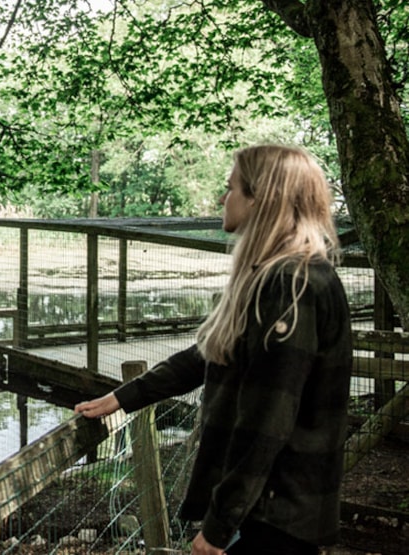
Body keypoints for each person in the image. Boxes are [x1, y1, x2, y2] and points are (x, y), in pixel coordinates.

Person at [75, 144, 352, 555]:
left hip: (275, 515)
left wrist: (219, 527)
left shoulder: (292, 284)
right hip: (269, 510)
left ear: (262, 198)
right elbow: (212, 352)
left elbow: (269, 419)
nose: (223, 198)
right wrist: (125, 396)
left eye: (231, 188)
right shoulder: (278, 274)